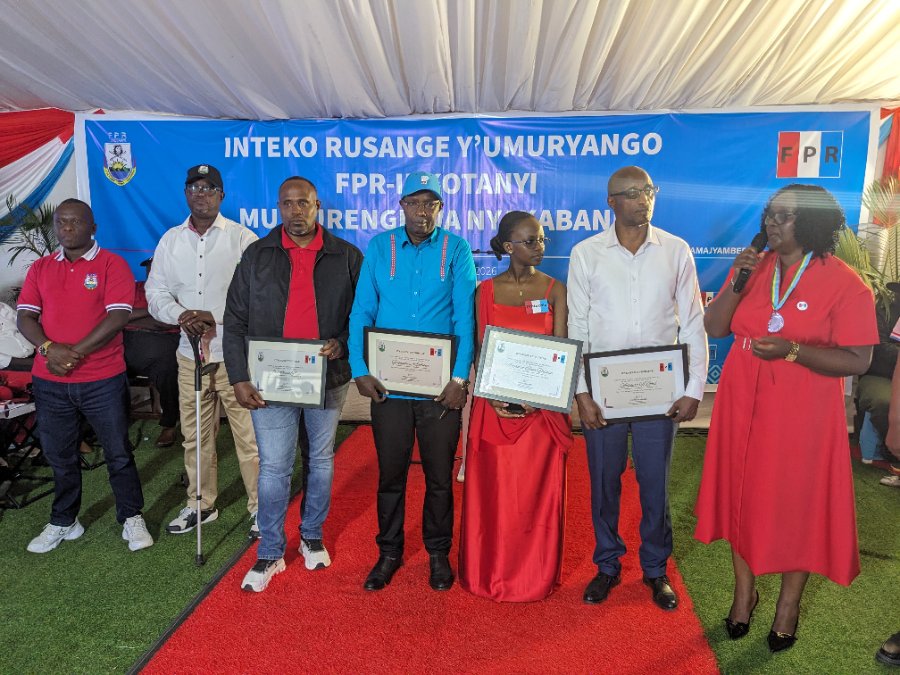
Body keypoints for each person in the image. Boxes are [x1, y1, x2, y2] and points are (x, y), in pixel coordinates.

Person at [694, 184, 877, 653]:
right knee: (740, 492)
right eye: (770, 214)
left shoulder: (844, 283)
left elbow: (858, 359)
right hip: (741, 398)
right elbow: (715, 327)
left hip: (803, 408)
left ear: (811, 223)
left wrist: (795, 351)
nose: (771, 224)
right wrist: (738, 280)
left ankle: (787, 606)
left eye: (784, 216)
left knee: (797, 503)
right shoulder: (754, 267)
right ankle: (744, 594)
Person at [567, 166, 708, 610]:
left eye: (648, 190)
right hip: (604, 395)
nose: (643, 199)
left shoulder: (676, 250)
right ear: (611, 202)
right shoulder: (586, 253)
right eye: (631, 193)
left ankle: (655, 569)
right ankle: (607, 565)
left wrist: (694, 386)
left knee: (654, 484)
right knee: (604, 483)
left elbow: (693, 321)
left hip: (659, 393)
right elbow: (577, 326)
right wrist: (581, 393)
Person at [224, 176, 363, 593]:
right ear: (279, 207)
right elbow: (235, 321)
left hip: (327, 378)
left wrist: (343, 343)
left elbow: (363, 315)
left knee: (320, 460)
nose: (296, 211)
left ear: (317, 206)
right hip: (271, 382)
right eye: (287, 203)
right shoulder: (257, 255)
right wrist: (239, 377)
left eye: (304, 203)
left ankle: (311, 535)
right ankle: (270, 549)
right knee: (274, 467)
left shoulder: (346, 256)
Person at [349, 170, 476, 592]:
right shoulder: (378, 246)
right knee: (391, 474)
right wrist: (359, 368)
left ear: (441, 207)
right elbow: (362, 311)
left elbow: (465, 317)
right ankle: (389, 552)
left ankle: (438, 553)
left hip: (440, 390)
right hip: (388, 387)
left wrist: (460, 378)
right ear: (401, 205)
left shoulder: (456, 249)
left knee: (439, 476)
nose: (423, 211)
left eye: (431, 203)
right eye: (415, 202)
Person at [16, 198, 153, 553]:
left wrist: (71, 354)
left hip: (101, 378)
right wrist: (49, 349)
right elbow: (25, 317)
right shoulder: (41, 267)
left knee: (118, 452)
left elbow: (118, 317)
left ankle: (131, 517)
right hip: (50, 381)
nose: (66, 227)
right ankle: (64, 520)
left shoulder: (112, 264)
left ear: (93, 228)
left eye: (75, 221)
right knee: (60, 455)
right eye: (61, 221)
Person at [458, 211, 573, 602]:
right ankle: (488, 571)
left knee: (534, 498)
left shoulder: (555, 289)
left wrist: (538, 400)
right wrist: (493, 396)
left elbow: (561, 354)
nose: (540, 247)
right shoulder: (485, 292)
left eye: (541, 240)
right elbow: (479, 351)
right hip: (494, 411)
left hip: (541, 417)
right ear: (508, 247)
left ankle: (532, 576)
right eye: (531, 241)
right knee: (495, 494)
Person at [145, 164, 260, 538]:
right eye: (195, 187)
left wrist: (215, 317)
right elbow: (155, 293)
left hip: (235, 357)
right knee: (195, 438)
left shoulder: (242, 239)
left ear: (221, 195)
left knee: (249, 438)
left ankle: (261, 508)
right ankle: (201, 504)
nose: (202, 194)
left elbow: (259, 296)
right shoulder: (171, 240)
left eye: (209, 188)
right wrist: (181, 315)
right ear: (186, 193)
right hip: (189, 356)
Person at [123, 257, 180, 447]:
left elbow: (168, 322)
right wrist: (152, 310)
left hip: (164, 344)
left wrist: (134, 317)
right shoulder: (133, 288)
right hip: (125, 343)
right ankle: (115, 425)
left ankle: (169, 424)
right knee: (105, 368)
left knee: (168, 369)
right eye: (149, 268)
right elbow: (117, 316)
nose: (152, 272)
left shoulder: (176, 292)